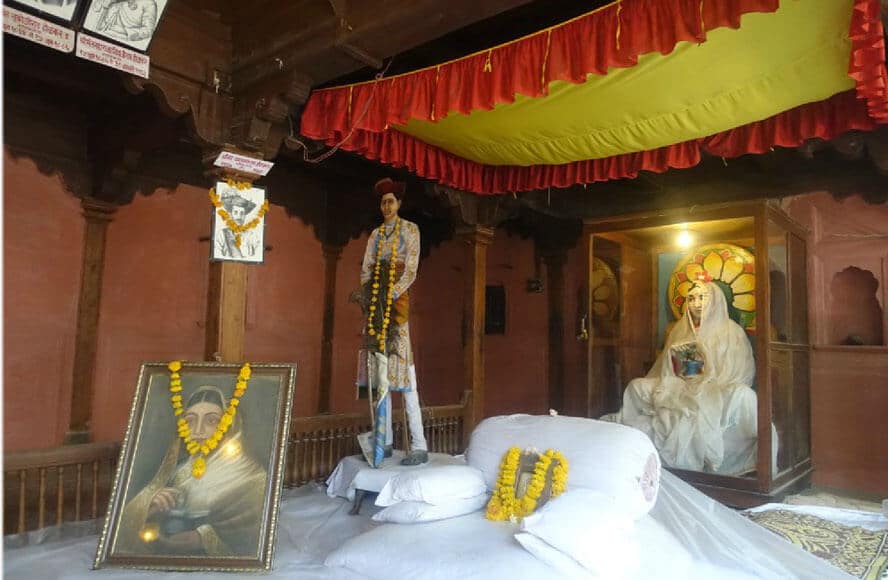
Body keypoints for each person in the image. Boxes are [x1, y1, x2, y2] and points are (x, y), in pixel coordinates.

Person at [605, 276, 759, 476]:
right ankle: (625, 432)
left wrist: (709, 373)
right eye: (692, 298)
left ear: (715, 299)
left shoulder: (732, 331)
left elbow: (741, 369)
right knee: (637, 385)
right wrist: (675, 367)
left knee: (742, 394)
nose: (696, 303)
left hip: (715, 387)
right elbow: (665, 367)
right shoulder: (680, 329)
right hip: (679, 384)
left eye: (702, 297)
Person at [116, 386, 267, 556]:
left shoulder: (253, 476)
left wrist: (203, 538)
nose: (198, 430)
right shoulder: (179, 470)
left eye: (211, 421)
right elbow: (135, 529)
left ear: (230, 426)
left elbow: (252, 530)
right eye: (190, 421)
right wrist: (150, 505)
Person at [357, 177, 428, 467]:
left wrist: (392, 292)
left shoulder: (410, 230)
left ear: (399, 204)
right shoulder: (375, 235)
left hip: (396, 305)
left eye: (391, 201)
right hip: (376, 305)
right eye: (383, 202)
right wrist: (369, 297)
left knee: (405, 374)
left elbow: (410, 268)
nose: (386, 206)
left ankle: (419, 445)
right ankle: (383, 441)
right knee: (379, 373)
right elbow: (366, 269)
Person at [214, 191, 261, 260]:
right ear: (231, 214)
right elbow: (217, 254)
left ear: (245, 216)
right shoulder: (222, 234)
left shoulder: (252, 236)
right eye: (236, 212)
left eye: (242, 213)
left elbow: (258, 255)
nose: (239, 217)